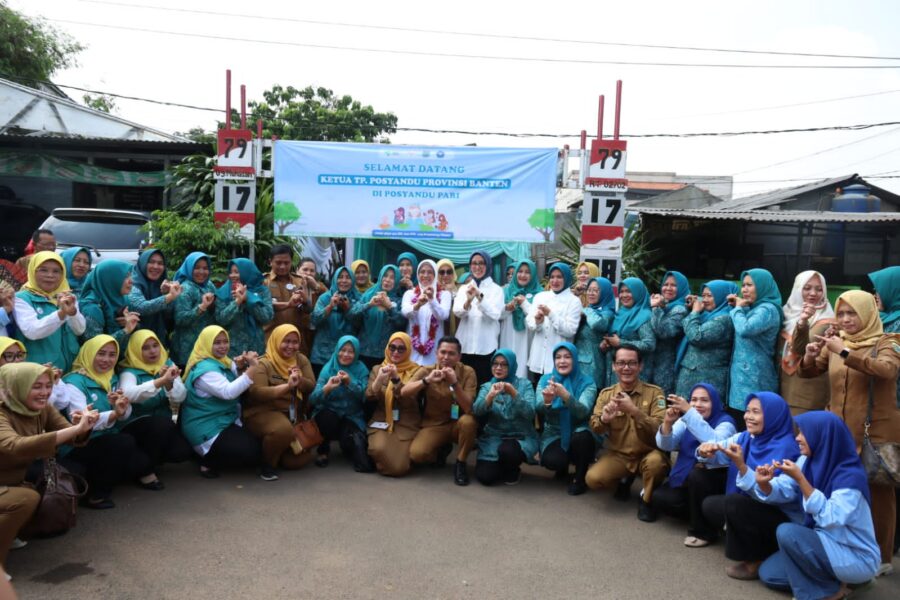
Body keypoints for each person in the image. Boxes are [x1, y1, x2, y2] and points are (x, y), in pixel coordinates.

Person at [800, 289, 900, 572]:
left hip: (874, 434)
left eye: (852, 313)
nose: (845, 319)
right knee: (839, 489)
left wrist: (844, 352)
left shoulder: (888, 341)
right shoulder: (838, 341)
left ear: (868, 313)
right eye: (841, 313)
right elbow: (809, 371)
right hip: (840, 432)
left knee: (877, 495)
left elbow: (887, 370)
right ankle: (842, 547)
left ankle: (881, 557)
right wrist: (809, 355)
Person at [756, 412, 880, 600]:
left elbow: (830, 517)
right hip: (822, 543)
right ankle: (839, 583)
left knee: (787, 532)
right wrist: (765, 483)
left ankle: (829, 592)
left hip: (853, 554)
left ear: (823, 436)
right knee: (769, 574)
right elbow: (785, 488)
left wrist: (801, 479)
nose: (797, 438)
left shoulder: (850, 477)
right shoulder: (807, 460)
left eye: (804, 433)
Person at [0, 362, 97, 576]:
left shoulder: (41, 407)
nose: (44, 392)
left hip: (12, 479)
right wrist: (75, 430)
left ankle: (10, 533)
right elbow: (13, 446)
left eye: (48, 386)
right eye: (36, 386)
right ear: (17, 386)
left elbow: (68, 433)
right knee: (26, 498)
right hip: (8, 482)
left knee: (33, 492)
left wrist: (82, 425)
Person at [697, 392, 801, 581]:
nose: (748, 416)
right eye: (747, 411)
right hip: (754, 506)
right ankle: (753, 544)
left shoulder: (787, 449)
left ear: (773, 416)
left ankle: (756, 558)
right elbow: (720, 449)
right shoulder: (747, 437)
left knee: (735, 504)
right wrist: (705, 450)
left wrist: (742, 467)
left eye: (756, 412)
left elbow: (776, 495)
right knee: (711, 505)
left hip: (781, 515)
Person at [60, 335, 156, 507]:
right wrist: (114, 414)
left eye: (112, 355)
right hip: (79, 443)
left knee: (140, 460)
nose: (106, 360)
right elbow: (82, 423)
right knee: (124, 443)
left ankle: (116, 474)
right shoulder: (73, 382)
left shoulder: (112, 378)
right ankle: (97, 494)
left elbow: (124, 414)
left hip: (107, 437)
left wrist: (121, 408)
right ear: (89, 353)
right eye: (101, 353)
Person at [588, 345, 669, 520]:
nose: (626, 368)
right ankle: (623, 480)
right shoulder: (606, 394)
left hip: (648, 453)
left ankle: (646, 500)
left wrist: (634, 411)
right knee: (593, 479)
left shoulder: (655, 393)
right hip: (620, 455)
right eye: (621, 363)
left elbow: (660, 429)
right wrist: (604, 419)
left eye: (632, 363)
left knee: (656, 464)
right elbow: (595, 426)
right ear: (613, 366)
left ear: (640, 366)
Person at [651, 383, 736, 546]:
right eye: (694, 400)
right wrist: (667, 423)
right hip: (687, 479)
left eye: (704, 400)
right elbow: (666, 445)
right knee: (661, 498)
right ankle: (699, 513)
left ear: (715, 402)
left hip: (714, 478)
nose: (698, 404)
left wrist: (690, 412)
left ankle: (703, 531)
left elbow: (715, 444)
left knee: (698, 476)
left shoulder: (726, 422)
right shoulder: (687, 420)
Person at [181, 325, 262, 478]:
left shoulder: (223, 361)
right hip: (205, 426)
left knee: (253, 448)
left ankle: (211, 455)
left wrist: (240, 367)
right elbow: (228, 392)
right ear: (206, 343)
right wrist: (252, 367)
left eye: (225, 341)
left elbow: (235, 380)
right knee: (249, 453)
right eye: (217, 342)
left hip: (222, 420)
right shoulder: (205, 370)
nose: (223, 346)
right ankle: (205, 459)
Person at [401, 336, 478, 485]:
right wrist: (426, 380)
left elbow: (468, 407)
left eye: (451, 353)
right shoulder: (427, 370)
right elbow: (404, 391)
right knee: (417, 455)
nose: (446, 357)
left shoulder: (468, 372)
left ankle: (460, 462)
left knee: (469, 422)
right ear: (436, 353)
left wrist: (454, 383)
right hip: (434, 424)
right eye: (443, 352)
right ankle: (441, 450)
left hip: (458, 424)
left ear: (459, 357)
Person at [244, 324, 317, 480]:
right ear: (276, 340)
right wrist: (287, 386)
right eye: (286, 341)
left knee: (295, 461)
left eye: (295, 342)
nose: (291, 346)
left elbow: (311, 385)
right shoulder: (264, 363)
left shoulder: (300, 359)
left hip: (292, 414)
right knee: (282, 430)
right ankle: (267, 465)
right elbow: (257, 393)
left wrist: (299, 380)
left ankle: (274, 452)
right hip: (264, 412)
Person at [117, 330, 193, 475]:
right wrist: (160, 381)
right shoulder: (129, 371)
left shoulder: (167, 364)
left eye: (155, 345)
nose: (152, 351)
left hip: (162, 426)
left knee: (182, 452)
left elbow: (180, 397)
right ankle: (144, 471)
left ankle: (148, 461)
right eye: (145, 348)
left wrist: (169, 383)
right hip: (135, 425)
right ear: (135, 350)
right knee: (160, 425)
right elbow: (129, 395)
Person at [535, 342, 598, 495]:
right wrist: (547, 402)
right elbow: (538, 408)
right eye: (558, 357)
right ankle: (562, 467)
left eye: (567, 357)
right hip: (554, 431)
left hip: (579, 430)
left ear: (575, 359)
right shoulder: (545, 380)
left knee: (581, 438)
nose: (562, 361)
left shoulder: (587, 382)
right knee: (552, 461)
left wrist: (566, 396)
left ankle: (580, 477)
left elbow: (583, 412)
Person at [472, 349, 538, 486]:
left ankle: (513, 469)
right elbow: (477, 411)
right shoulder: (487, 386)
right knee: (485, 477)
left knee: (508, 451)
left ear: (512, 366)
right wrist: (490, 396)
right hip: (494, 436)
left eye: (504, 364)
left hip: (520, 436)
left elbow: (530, 413)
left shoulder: (524, 385)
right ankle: (500, 465)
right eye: (495, 364)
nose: (498, 368)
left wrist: (514, 393)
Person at [309, 335, 373, 472]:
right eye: (342, 350)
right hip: (330, 414)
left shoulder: (361, 369)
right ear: (337, 350)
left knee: (354, 446)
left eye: (351, 351)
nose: (346, 354)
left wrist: (350, 382)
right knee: (328, 418)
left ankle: (345, 445)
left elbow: (366, 397)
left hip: (352, 416)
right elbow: (313, 399)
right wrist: (327, 388)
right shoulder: (328, 368)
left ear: (356, 353)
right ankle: (323, 450)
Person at [14, 251, 85, 371]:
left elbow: (79, 330)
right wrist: (61, 314)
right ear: (32, 271)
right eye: (43, 270)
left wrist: (73, 313)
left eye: (56, 271)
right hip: (39, 370)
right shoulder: (21, 298)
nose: (50, 275)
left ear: (63, 274)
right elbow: (32, 331)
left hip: (69, 368)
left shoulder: (67, 296)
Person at [727, 268, 782, 421]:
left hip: (755, 379)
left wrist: (738, 309)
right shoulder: (755, 308)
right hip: (742, 381)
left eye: (750, 285)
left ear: (762, 285)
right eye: (743, 285)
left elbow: (746, 329)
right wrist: (738, 306)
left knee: (753, 424)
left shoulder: (767, 310)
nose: (744, 289)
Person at [364, 332, 421, 477]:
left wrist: (396, 379)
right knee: (378, 449)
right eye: (392, 347)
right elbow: (369, 397)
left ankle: (387, 462)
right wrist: (379, 380)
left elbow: (409, 400)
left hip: (405, 422)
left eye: (401, 349)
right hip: (382, 420)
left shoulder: (417, 370)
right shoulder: (378, 368)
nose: (396, 352)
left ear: (408, 350)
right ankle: (384, 460)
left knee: (399, 468)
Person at [780, 271, 835, 414]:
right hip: (781, 389)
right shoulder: (785, 314)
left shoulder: (827, 321)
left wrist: (803, 321)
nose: (813, 293)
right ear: (797, 289)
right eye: (807, 288)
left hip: (806, 395)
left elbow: (800, 349)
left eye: (819, 289)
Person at [674, 280, 737, 400]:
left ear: (722, 297)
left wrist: (694, 312)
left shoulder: (724, 319)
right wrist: (693, 310)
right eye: (703, 296)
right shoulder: (708, 315)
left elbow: (696, 337)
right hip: (692, 382)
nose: (705, 300)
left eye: (710, 296)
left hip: (707, 382)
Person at [453, 251, 504, 385]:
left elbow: (495, 314)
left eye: (481, 263)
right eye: (474, 263)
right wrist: (468, 301)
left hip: (486, 347)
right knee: (463, 386)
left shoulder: (496, 289)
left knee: (483, 386)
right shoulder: (464, 288)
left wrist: (479, 296)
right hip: (465, 346)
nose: (477, 267)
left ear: (488, 265)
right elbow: (457, 312)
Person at [526, 263, 582, 383]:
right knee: (538, 390)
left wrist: (550, 314)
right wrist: (538, 321)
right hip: (538, 358)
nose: (555, 281)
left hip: (559, 362)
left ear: (567, 278)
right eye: (552, 277)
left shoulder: (574, 301)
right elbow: (530, 324)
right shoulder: (540, 297)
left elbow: (570, 331)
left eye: (559, 277)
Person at [214, 258, 274, 358]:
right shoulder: (223, 292)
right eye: (231, 272)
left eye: (237, 272)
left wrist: (249, 299)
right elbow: (221, 319)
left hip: (256, 348)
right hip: (232, 350)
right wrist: (237, 302)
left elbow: (267, 317)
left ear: (247, 272)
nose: (232, 275)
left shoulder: (262, 291)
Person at [602, 277, 656, 387]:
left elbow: (649, 344)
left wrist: (620, 342)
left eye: (628, 291)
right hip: (615, 373)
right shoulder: (620, 313)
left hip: (635, 375)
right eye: (621, 291)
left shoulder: (644, 315)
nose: (624, 295)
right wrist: (607, 344)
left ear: (638, 292)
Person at [350, 264, 406, 370]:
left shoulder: (400, 300)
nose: (387, 280)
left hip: (388, 354)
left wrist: (390, 307)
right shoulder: (369, 295)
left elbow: (402, 324)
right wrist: (369, 304)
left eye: (392, 277)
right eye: (385, 276)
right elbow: (352, 315)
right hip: (364, 351)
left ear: (397, 281)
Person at [79, 259, 141, 348]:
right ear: (109, 279)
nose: (131, 281)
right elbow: (95, 347)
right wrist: (125, 330)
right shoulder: (92, 309)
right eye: (125, 276)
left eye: (130, 275)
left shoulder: (122, 300)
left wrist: (133, 324)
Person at [171, 252, 217, 367]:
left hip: (207, 346)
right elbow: (180, 319)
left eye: (205, 268)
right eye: (196, 268)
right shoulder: (185, 288)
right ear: (189, 268)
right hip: (187, 349)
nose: (201, 272)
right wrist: (201, 307)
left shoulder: (209, 285)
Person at [402, 260, 452, 366]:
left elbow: (443, 315)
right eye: (422, 272)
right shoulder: (409, 294)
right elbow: (405, 312)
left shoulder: (445, 294)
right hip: (413, 349)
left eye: (430, 272)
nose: (425, 275)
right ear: (417, 274)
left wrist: (432, 299)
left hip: (434, 350)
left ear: (435, 275)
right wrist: (418, 305)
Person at [310, 266, 359, 373]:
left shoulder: (358, 298)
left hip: (347, 354)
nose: (344, 280)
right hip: (322, 354)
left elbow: (360, 324)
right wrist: (330, 306)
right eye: (340, 277)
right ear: (335, 279)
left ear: (352, 280)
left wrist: (348, 309)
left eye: (348, 277)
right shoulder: (325, 298)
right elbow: (314, 320)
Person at [128, 249, 182, 345]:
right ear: (143, 263)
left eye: (160, 263)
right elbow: (141, 307)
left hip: (158, 341)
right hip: (137, 342)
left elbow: (169, 315)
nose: (156, 266)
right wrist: (169, 297)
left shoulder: (162, 284)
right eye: (151, 262)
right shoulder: (132, 284)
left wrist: (165, 294)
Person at [649, 271, 690, 396]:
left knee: (661, 402)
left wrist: (655, 308)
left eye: (674, 285)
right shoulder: (665, 306)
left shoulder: (680, 310)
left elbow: (663, 331)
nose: (668, 288)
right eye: (665, 284)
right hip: (652, 364)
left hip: (667, 368)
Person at [498, 260, 541, 379]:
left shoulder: (539, 293)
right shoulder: (505, 291)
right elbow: (496, 314)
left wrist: (524, 303)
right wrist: (507, 308)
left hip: (528, 336)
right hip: (508, 335)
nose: (523, 275)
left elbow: (538, 316)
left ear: (533, 274)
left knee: (523, 368)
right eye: (520, 271)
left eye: (527, 272)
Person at [575, 277, 616, 390]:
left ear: (605, 293)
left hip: (593, 368)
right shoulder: (589, 310)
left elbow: (598, 324)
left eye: (596, 290)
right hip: (578, 364)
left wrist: (587, 310)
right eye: (589, 290)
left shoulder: (607, 313)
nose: (591, 293)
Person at [262, 244, 305, 343]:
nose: (282, 266)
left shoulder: (300, 281)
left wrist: (306, 301)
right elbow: (263, 307)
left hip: (295, 339)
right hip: (270, 337)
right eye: (278, 263)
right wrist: (288, 304)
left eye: (286, 263)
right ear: (270, 262)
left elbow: (308, 309)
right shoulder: (263, 282)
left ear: (291, 262)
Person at [295, 257, 328, 357]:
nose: (308, 273)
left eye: (312, 271)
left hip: (315, 332)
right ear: (297, 270)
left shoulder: (320, 286)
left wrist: (316, 287)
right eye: (305, 269)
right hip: (298, 330)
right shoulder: (292, 284)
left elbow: (329, 298)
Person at [436, 258, 459, 336]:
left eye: (449, 272)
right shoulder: (433, 290)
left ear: (453, 273)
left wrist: (451, 293)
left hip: (459, 333)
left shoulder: (461, 288)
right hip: (439, 334)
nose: (445, 275)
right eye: (442, 272)